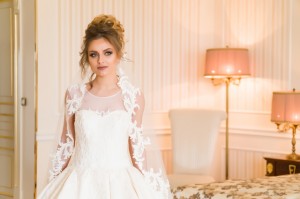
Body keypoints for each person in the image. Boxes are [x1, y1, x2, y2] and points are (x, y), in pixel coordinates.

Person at [37, 14, 170, 199]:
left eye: (107, 52)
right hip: (79, 184)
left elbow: (137, 150)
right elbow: (66, 145)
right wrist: (52, 184)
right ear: (87, 57)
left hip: (121, 185)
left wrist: (147, 188)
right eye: (94, 54)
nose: (101, 61)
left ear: (118, 54)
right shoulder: (75, 95)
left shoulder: (133, 97)